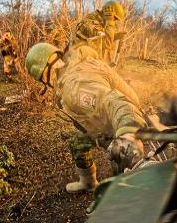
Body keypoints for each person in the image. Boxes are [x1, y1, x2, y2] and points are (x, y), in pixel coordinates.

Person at [25, 42, 147, 193]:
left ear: (43, 74)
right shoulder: (73, 66)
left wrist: (128, 135)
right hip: (106, 121)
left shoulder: (73, 88)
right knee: (77, 143)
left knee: (121, 178)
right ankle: (88, 183)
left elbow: (114, 101)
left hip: (118, 124)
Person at [68, 1, 127, 66]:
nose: (114, 21)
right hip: (76, 54)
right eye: (114, 18)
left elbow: (103, 38)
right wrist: (109, 22)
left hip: (86, 53)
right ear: (107, 13)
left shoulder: (100, 22)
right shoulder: (91, 22)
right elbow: (106, 44)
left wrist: (116, 37)